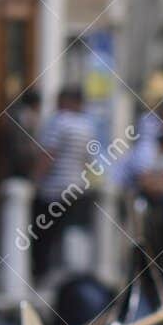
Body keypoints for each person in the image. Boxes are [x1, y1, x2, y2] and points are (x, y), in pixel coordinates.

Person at [33, 84, 98, 278]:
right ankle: (68, 274)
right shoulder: (86, 126)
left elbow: (48, 155)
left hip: (53, 190)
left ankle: (42, 273)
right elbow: (88, 160)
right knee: (70, 233)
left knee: (43, 235)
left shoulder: (58, 122)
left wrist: (35, 180)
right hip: (76, 188)